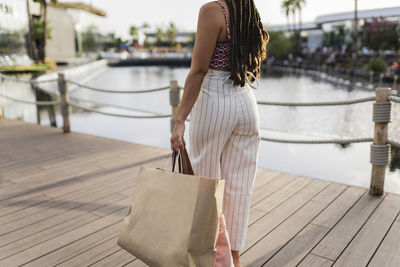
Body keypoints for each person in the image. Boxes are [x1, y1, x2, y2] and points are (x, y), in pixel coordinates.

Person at [170, 0, 269, 266]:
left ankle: (210, 259)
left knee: (204, 185)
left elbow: (199, 70)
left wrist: (180, 118)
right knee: (239, 188)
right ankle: (232, 259)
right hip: (245, 101)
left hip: (215, 99)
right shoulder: (247, 9)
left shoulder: (212, 11)